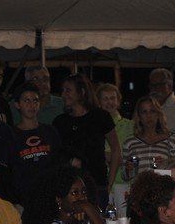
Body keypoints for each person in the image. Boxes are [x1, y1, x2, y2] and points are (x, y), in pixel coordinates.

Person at [53, 74, 120, 208]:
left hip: (97, 184)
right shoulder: (60, 122)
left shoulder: (100, 116)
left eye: (68, 90)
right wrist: (69, 161)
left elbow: (116, 149)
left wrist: (109, 183)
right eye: (63, 91)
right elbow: (55, 153)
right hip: (71, 187)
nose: (64, 94)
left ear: (82, 92)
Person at [10, 82, 61, 202]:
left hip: (51, 195)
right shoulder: (11, 135)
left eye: (35, 100)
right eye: (26, 101)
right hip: (25, 198)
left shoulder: (50, 131)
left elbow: (58, 162)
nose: (31, 105)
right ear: (17, 104)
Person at [122, 95, 175, 179]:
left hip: (163, 190)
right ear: (139, 117)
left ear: (158, 114)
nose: (149, 116)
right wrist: (128, 169)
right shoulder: (129, 142)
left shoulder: (172, 141)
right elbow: (125, 176)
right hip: (139, 190)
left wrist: (162, 168)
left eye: (152, 111)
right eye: (144, 112)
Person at [96, 83, 135, 209]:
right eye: (105, 99)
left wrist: (112, 156)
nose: (109, 102)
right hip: (100, 183)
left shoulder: (130, 126)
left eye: (112, 98)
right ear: (99, 102)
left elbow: (131, 155)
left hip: (123, 183)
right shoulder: (94, 126)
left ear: (118, 101)